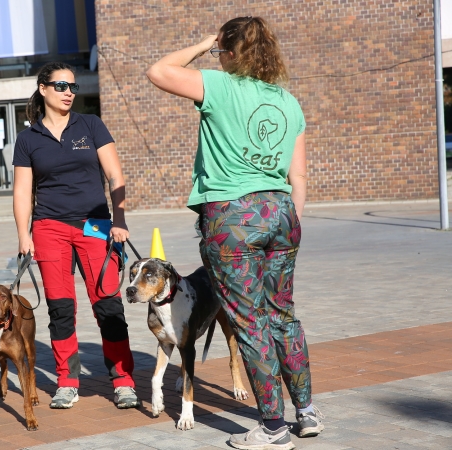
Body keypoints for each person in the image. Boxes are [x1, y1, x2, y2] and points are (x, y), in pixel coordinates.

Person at [147, 17, 322, 450]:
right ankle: (306, 411)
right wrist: (288, 223)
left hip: (232, 218)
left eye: (220, 50)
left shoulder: (220, 86)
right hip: (281, 213)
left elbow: (159, 71)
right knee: (283, 316)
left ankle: (273, 427)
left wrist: (205, 42)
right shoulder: (287, 101)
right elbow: (298, 176)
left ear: (229, 51)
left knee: (249, 323)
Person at [12, 62, 139, 410]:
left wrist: (119, 218)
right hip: (49, 226)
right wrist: (24, 235)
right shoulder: (28, 139)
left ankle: (123, 380)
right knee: (60, 308)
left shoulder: (91, 125)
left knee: (108, 304)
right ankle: (67, 380)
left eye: (72, 86)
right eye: (61, 85)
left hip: (95, 223)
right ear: (43, 89)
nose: (69, 92)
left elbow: (115, 176)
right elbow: (23, 192)